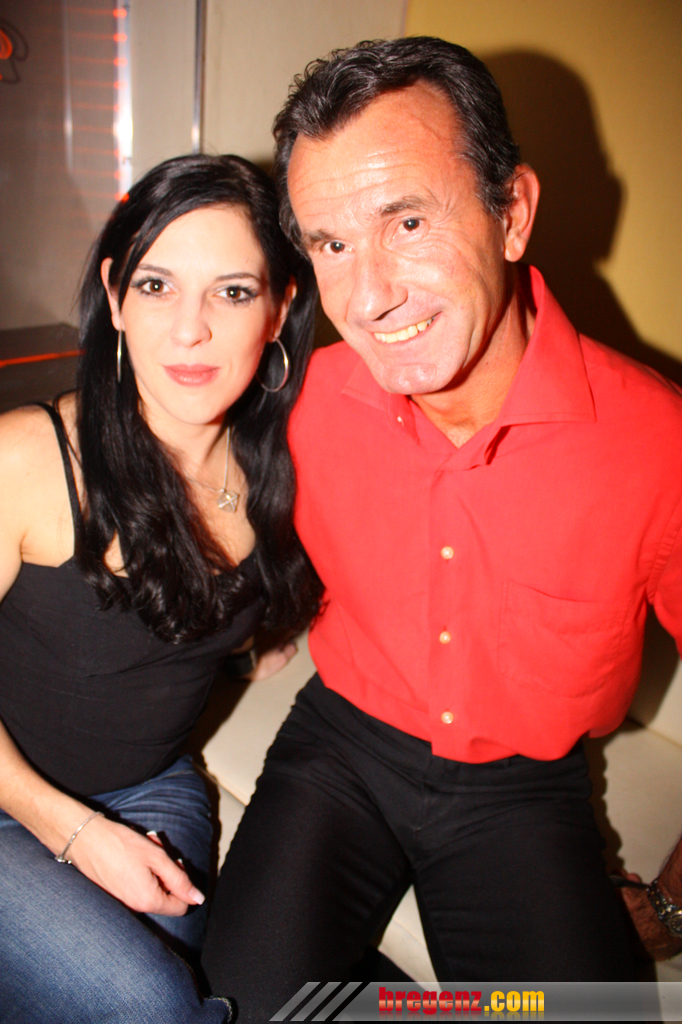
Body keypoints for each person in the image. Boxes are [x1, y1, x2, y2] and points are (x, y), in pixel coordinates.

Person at [202, 37, 682, 1018]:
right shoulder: (307, 401)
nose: (367, 297)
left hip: (523, 786)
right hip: (342, 743)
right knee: (240, 999)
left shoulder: (658, 442)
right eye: (331, 244)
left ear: (512, 213)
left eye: (407, 221)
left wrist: (674, 898)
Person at [0, 153, 320, 1023]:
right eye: (156, 286)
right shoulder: (31, 458)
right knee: (147, 1001)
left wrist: (252, 649)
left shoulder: (288, 467)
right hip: (6, 792)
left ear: (280, 307)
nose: (189, 331)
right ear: (114, 297)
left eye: (232, 292)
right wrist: (73, 831)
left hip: (152, 788)